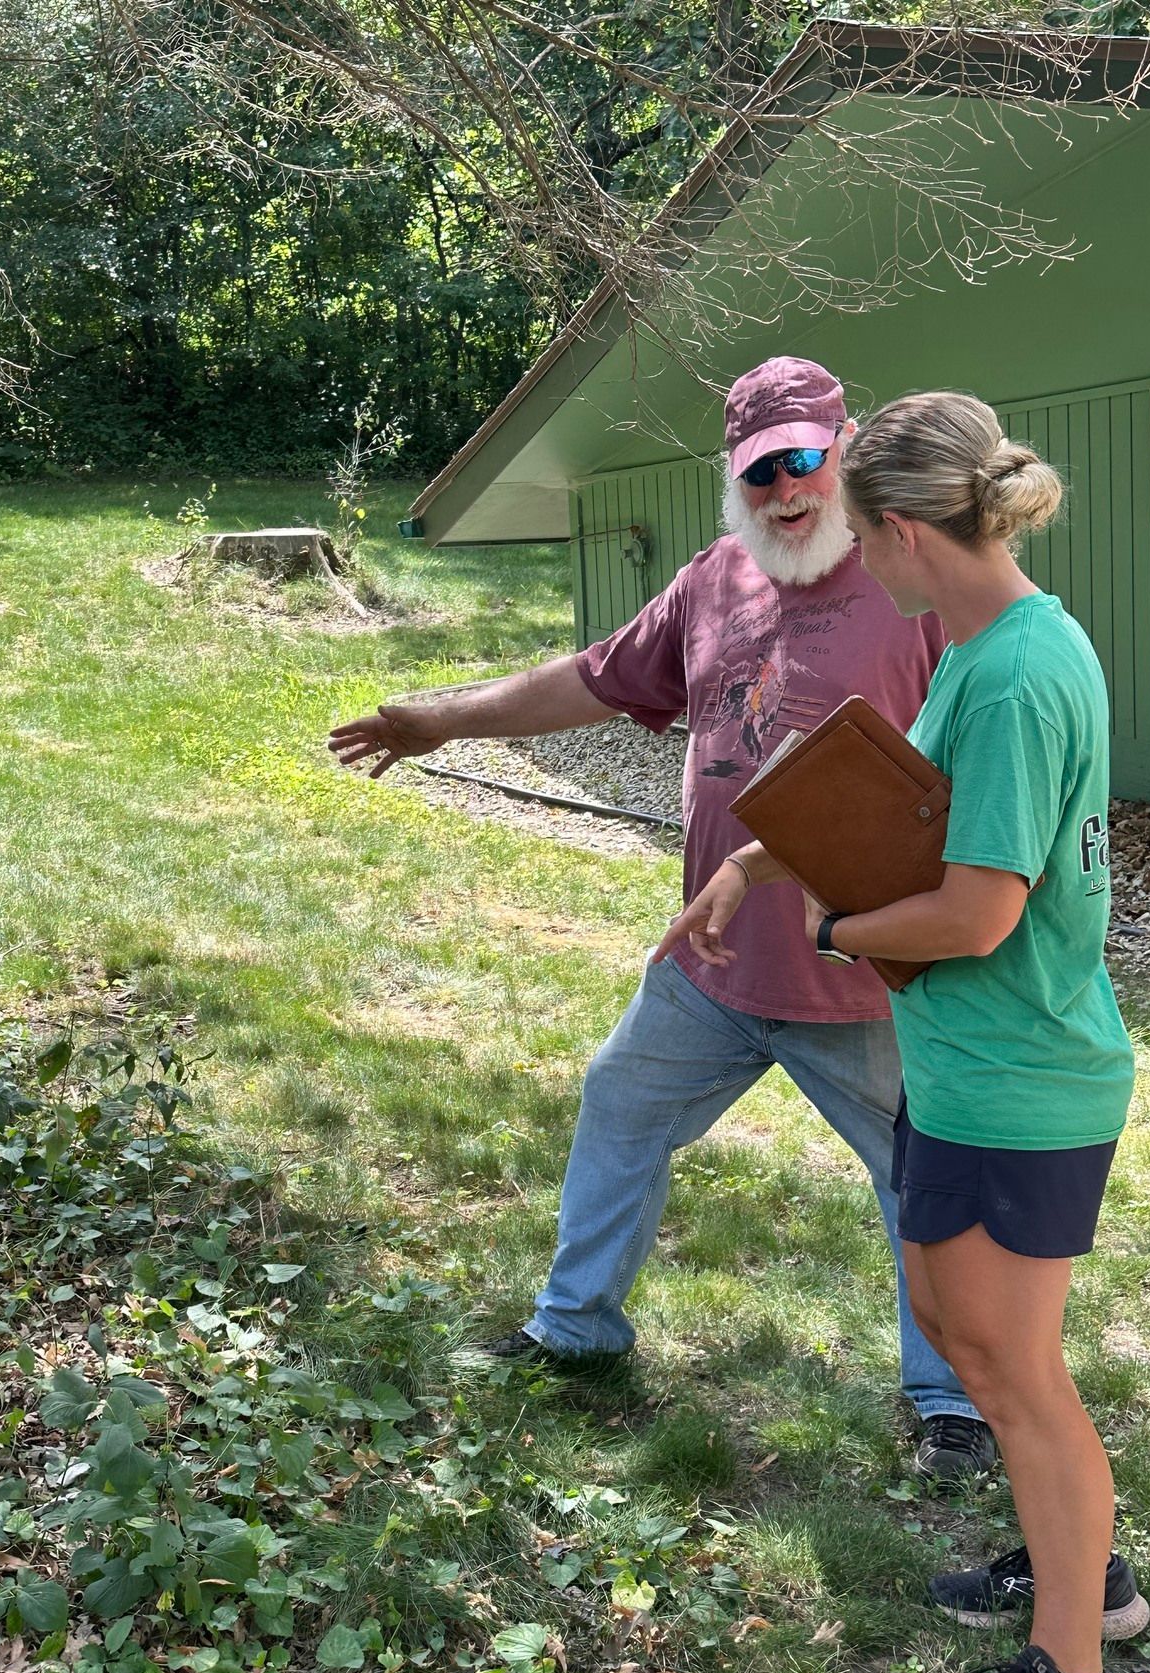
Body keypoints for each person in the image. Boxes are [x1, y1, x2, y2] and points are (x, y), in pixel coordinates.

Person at [329, 356, 994, 1484]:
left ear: (847, 450)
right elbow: (592, 678)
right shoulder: (714, 582)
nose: (787, 489)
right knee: (619, 1100)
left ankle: (951, 1402)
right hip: (717, 963)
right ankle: (575, 1327)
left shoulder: (911, 586)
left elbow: (978, 775)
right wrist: (441, 719)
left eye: (805, 461)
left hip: (862, 975)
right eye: (760, 471)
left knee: (921, 1182)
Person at [664, 389, 1142, 1673]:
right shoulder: (992, 645)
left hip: (1020, 1074)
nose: (858, 568)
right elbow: (894, 803)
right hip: (965, 1064)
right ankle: (1080, 1571)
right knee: (963, 1323)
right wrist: (760, 858)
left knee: (1013, 1366)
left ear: (908, 533)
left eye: (867, 541)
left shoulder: (1014, 673)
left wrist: (830, 931)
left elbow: (975, 913)